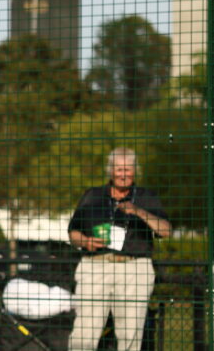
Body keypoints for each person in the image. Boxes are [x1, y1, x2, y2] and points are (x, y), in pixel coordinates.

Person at [67, 147, 170, 351]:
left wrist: (138, 211)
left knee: (130, 331)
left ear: (135, 171)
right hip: (95, 266)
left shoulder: (147, 197)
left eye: (128, 169)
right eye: (119, 169)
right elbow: (73, 232)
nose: (123, 174)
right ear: (110, 171)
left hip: (134, 268)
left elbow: (165, 230)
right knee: (84, 330)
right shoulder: (92, 196)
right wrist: (86, 242)